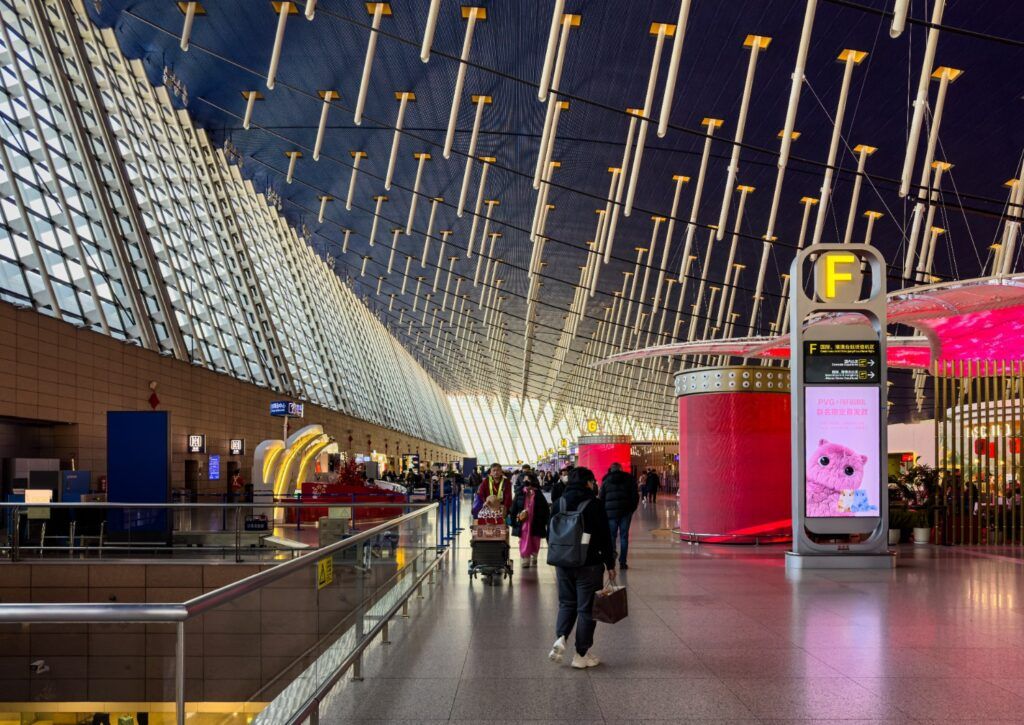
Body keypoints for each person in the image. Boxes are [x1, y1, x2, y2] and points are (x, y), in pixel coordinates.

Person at [548, 466, 616, 669]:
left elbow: (549, 533)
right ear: (588, 482)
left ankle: (561, 637)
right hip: (589, 564)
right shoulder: (594, 504)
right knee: (586, 609)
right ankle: (581, 654)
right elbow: (605, 537)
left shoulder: (558, 503)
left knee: (567, 603)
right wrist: (610, 563)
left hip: (562, 562)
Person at [600, 462, 639, 569]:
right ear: (621, 469)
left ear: (611, 470)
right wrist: (631, 509)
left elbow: (601, 498)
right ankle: (622, 562)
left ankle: (611, 561)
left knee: (612, 537)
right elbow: (635, 496)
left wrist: (604, 511)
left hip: (610, 514)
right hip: (625, 513)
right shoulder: (629, 480)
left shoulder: (605, 481)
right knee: (624, 537)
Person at [510, 472, 550, 568]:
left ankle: (534, 555)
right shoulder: (519, 493)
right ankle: (525, 558)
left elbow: (545, 508)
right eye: (524, 480)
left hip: (536, 521)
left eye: (528, 480)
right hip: (523, 521)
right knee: (524, 539)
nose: (526, 481)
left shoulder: (538, 493)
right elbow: (514, 507)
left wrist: (545, 521)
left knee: (535, 539)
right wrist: (513, 520)